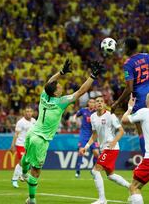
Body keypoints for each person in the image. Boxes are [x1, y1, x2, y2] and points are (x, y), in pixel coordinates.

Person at [21, 59, 104, 204]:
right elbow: (81, 91)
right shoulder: (61, 102)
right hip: (40, 139)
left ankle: (22, 174)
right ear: (55, 92)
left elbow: (49, 82)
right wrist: (93, 76)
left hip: (32, 133)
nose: (61, 87)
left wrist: (61, 72)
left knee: (27, 156)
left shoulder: (44, 96)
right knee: (36, 171)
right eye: (59, 87)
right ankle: (32, 200)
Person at [79, 95, 130, 204]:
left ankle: (102, 200)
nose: (99, 103)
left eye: (101, 101)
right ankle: (131, 188)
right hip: (104, 148)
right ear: (94, 105)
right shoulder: (93, 117)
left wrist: (114, 141)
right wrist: (86, 147)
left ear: (104, 104)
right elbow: (94, 135)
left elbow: (121, 131)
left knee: (95, 171)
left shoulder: (110, 116)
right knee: (110, 175)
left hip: (111, 148)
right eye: (97, 101)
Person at [10, 107, 36, 188]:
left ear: (32, 113)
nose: (28, 113)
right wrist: (13, 145)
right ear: (24, 112)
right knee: (22, 161)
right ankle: (16, 178)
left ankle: (21, 175)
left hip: (29, 145)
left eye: (30, 111)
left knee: (27, 162)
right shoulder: (20, 122)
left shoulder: (34, 121)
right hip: (21, 144)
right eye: (27, 111)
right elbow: (16, 134)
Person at [73, 98, 100, 178]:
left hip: (93, 135)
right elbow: (75, 116)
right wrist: (76, 121)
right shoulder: (83, 110)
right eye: (90, 102)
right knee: (81, 151)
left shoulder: (96, 112)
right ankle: (77, 171)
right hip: (84, 135)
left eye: (93, 102)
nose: (92, 103)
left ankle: (93, 170)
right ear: (88, 103)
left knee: (96, 153)